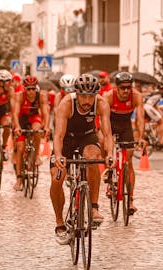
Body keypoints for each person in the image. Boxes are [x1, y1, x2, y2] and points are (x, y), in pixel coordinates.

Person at [50, 74, 114, 244]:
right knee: (57, 177)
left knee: (93, 158)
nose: (87, 100)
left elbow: (107, 134)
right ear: (76, 94)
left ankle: (93, 208)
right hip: (66, 139)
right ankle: (59, 223)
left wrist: (110, 155)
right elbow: (58, 135)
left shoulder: (101, 104)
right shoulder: (66, 104)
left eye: (91, 96)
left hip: (87, 137)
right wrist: (58, 156)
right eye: (83, 96)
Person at [103, 72, 146, 213]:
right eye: (122, 88)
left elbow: (140, 118)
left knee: (128, 160)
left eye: (129, 87)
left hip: (125, 126)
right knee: (105, 145)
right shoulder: (108, 96)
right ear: (116, 87)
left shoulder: (137, 96)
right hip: (110, 124)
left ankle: (130, 200)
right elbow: (103, 119)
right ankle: (109, 171)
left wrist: (140, 137)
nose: (126, 91)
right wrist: (106, 138)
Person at [12, 76, 50, 191]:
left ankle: (37, 155)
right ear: (25, 89)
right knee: (20, 147)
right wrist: (17, 126)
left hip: (34, 118)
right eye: (28, 89)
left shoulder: (41, 96)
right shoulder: (19, 96)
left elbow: (45, 113)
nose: (31, 92)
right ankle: (18, 179)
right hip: (21, 119)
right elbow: (15, 113)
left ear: (36, 88)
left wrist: (47, 127)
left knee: (37, 129)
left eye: (33, 89)